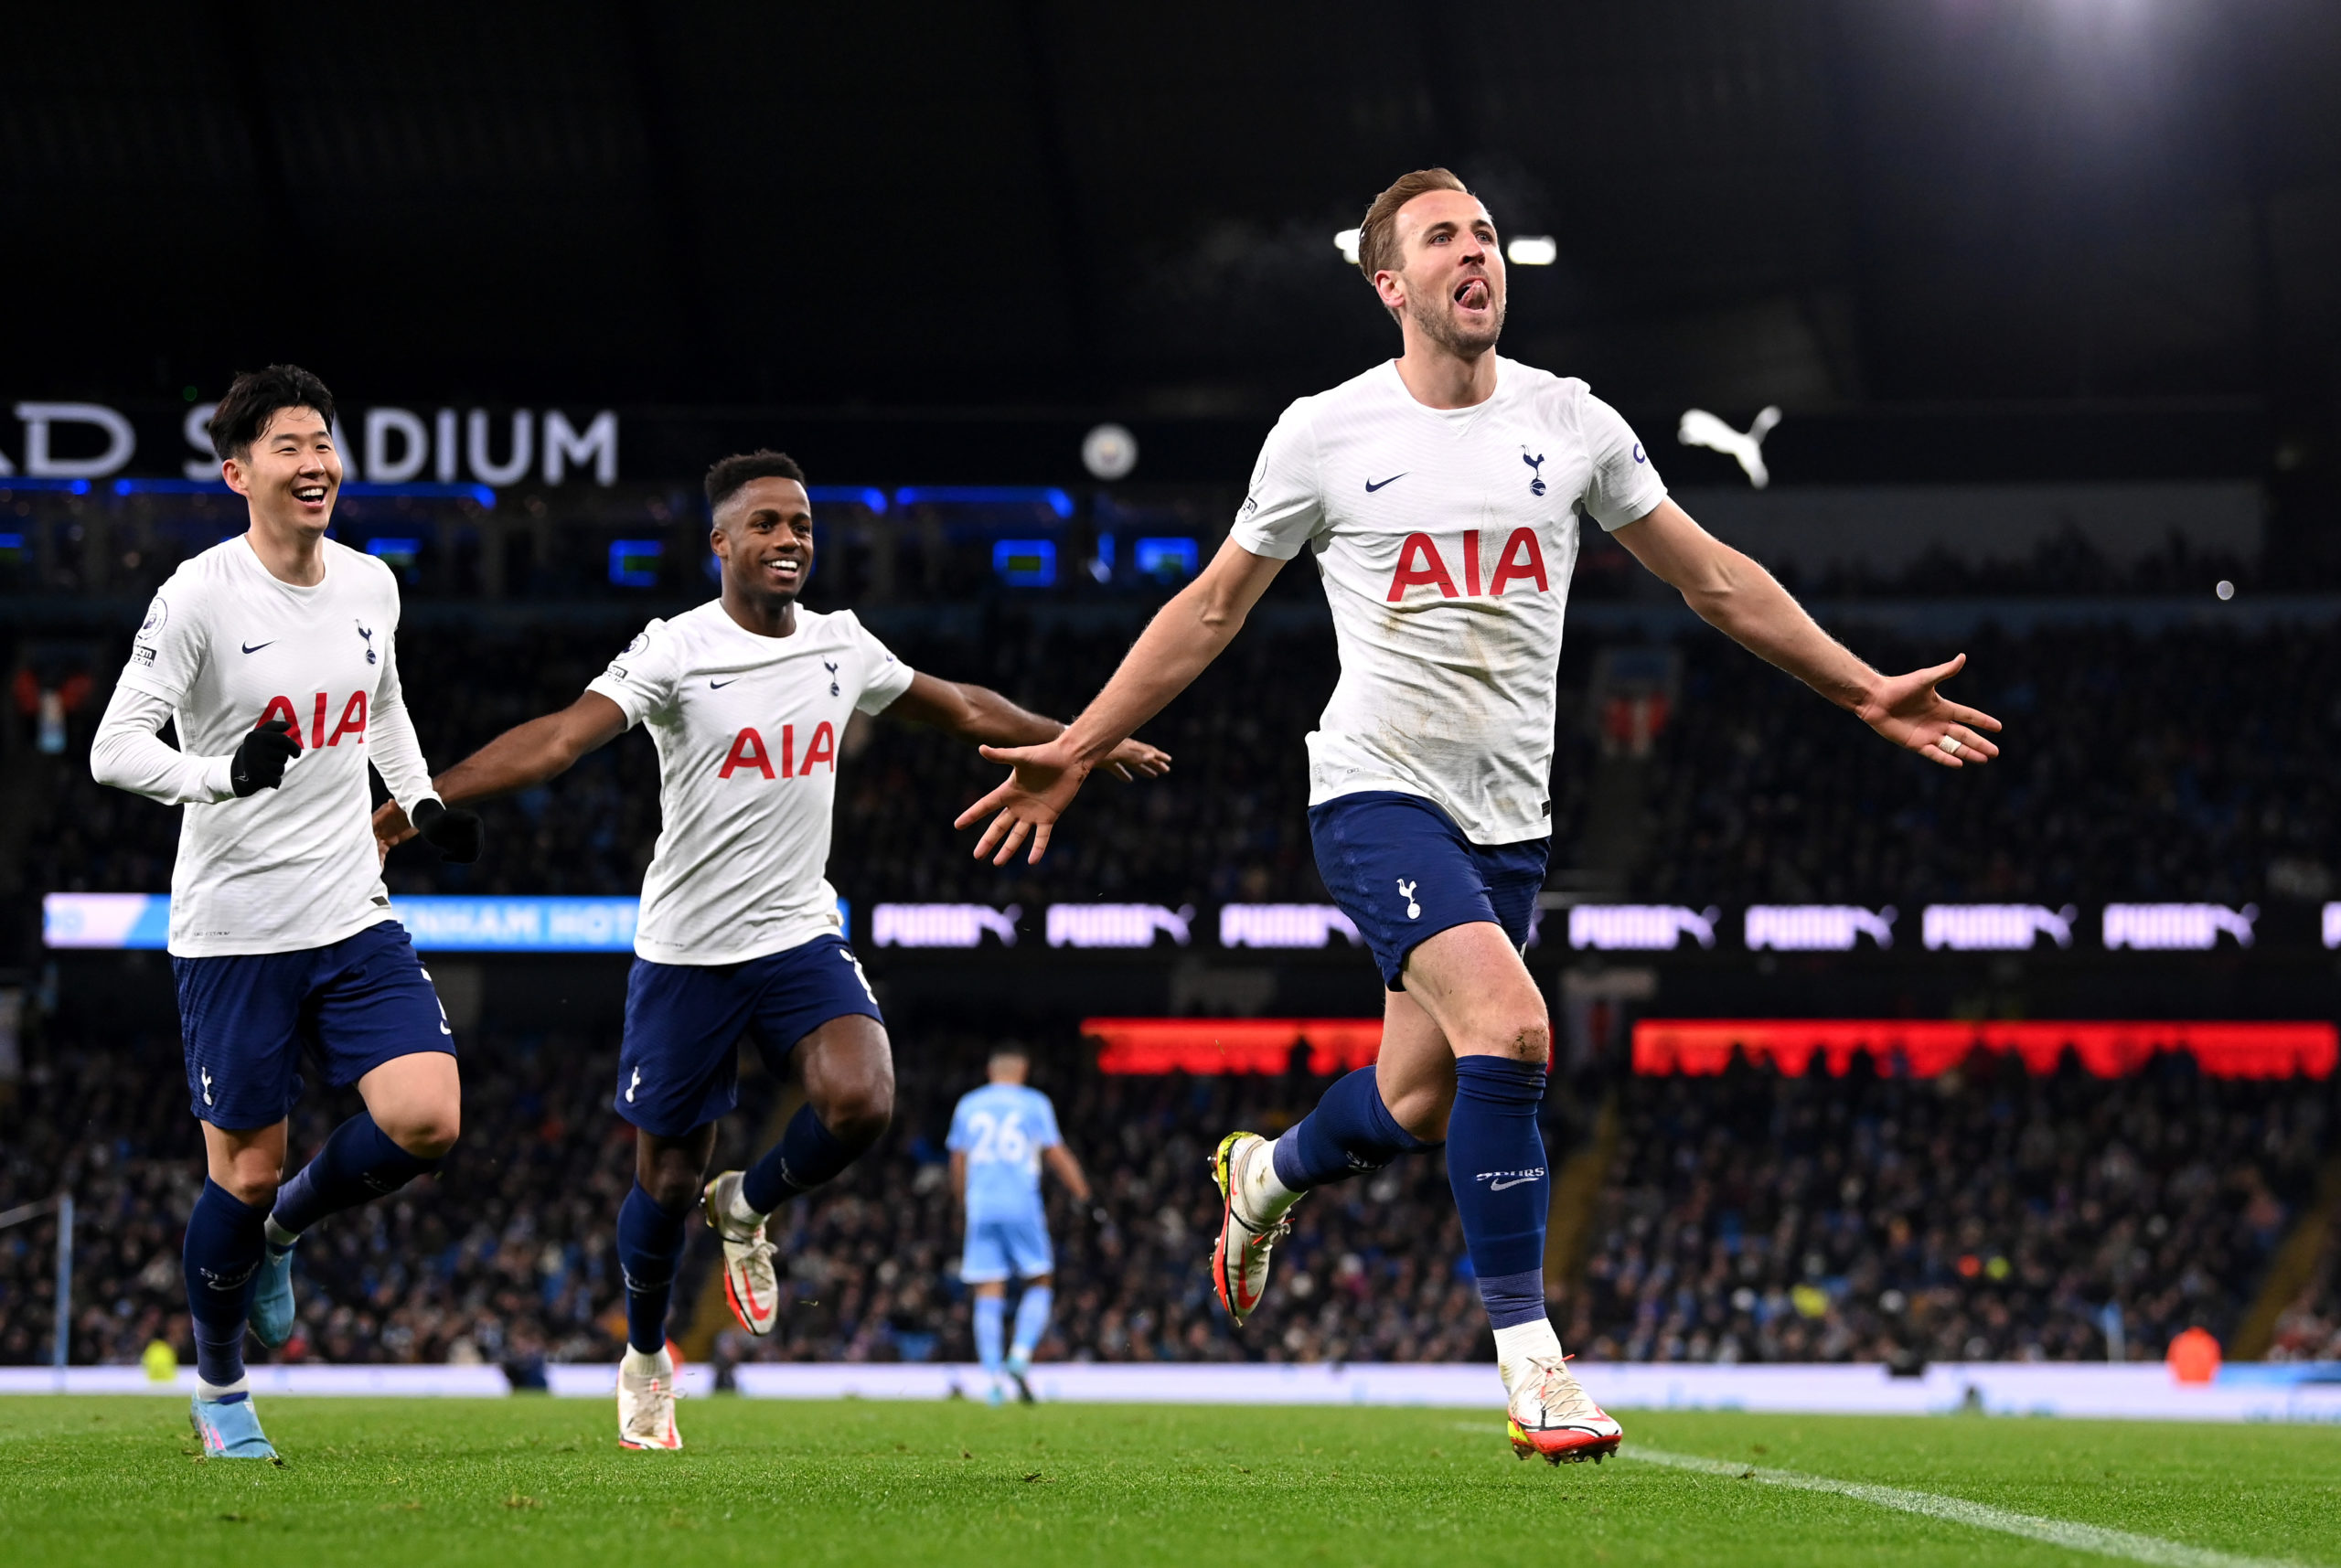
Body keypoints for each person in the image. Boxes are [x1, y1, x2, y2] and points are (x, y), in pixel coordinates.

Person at [956, 168, 2003, 1465]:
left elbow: (1712, 577)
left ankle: (1263, 1175)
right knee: (1514, 1026)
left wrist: (1858, 687)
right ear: (1389, 282)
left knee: (1415, 1096)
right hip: (1374, 790)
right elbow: (1213, 607)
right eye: (1444, 238)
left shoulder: (1571, 423)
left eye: (1488, 235)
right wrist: (1075, 744)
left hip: (1511, 822)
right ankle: (1535, 1364)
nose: (1477, 254)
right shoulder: (1323, 432)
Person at [373, 449, 1166, 1449]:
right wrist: (429, 795)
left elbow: (961, 706)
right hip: (686, 953)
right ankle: (648, 1355)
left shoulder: (840, 644)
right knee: (661, 1184)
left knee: (863, 1098)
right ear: (720, 543)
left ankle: (747, 1203)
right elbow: (563, 737)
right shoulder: (672, 649)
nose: (789, 538)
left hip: (796, 934)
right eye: (766, 525)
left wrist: (1079, 740)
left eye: (800, 523)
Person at [90, 365, 483, 1461]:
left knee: (428, 1120)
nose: (315, 463)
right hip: (234, 930)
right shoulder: (198, 595)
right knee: (239, 1168)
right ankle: (220, 1391)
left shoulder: (369, 584)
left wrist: (422, 801)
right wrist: (221, 773)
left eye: (323, 443)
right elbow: (112, 747)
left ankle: (287, 1227)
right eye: (288, 447)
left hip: (351, 909)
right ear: (237, 472)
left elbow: (386, 705)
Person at [946, 1044, 1096, 1404]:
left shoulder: (969, 1104)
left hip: (981, 1205)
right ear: (1023, 1072)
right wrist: (1084, 1195)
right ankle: (1021, 1354)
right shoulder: (1034, 1103)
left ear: (990, 1070)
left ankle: (994, 1382)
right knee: (1041, 1278)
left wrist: (962, 1204)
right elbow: (1055, 1153)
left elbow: (958, 1160)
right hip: (1021, 1203)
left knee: (988, 1290)